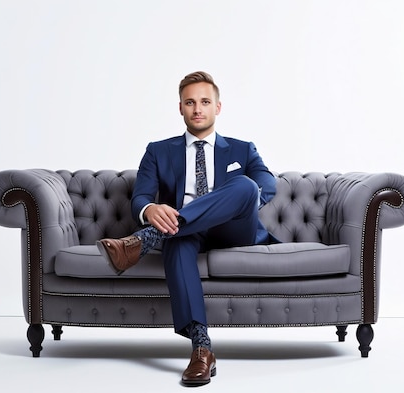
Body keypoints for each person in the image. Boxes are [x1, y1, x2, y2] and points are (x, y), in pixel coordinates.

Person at [96, 71, 277, 387]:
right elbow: (140, 195)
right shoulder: (158, 150)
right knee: (177, 244)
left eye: (205, 102)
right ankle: (201, 349)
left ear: (218, 107)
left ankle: (143, 241)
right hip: (184, 232)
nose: (197, 109)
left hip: (233, 230)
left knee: (246, 186)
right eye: (190, 102)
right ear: (180, 107)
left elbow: (267, 184)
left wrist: (236, 200)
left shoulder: (242, 149)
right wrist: (150, 209)